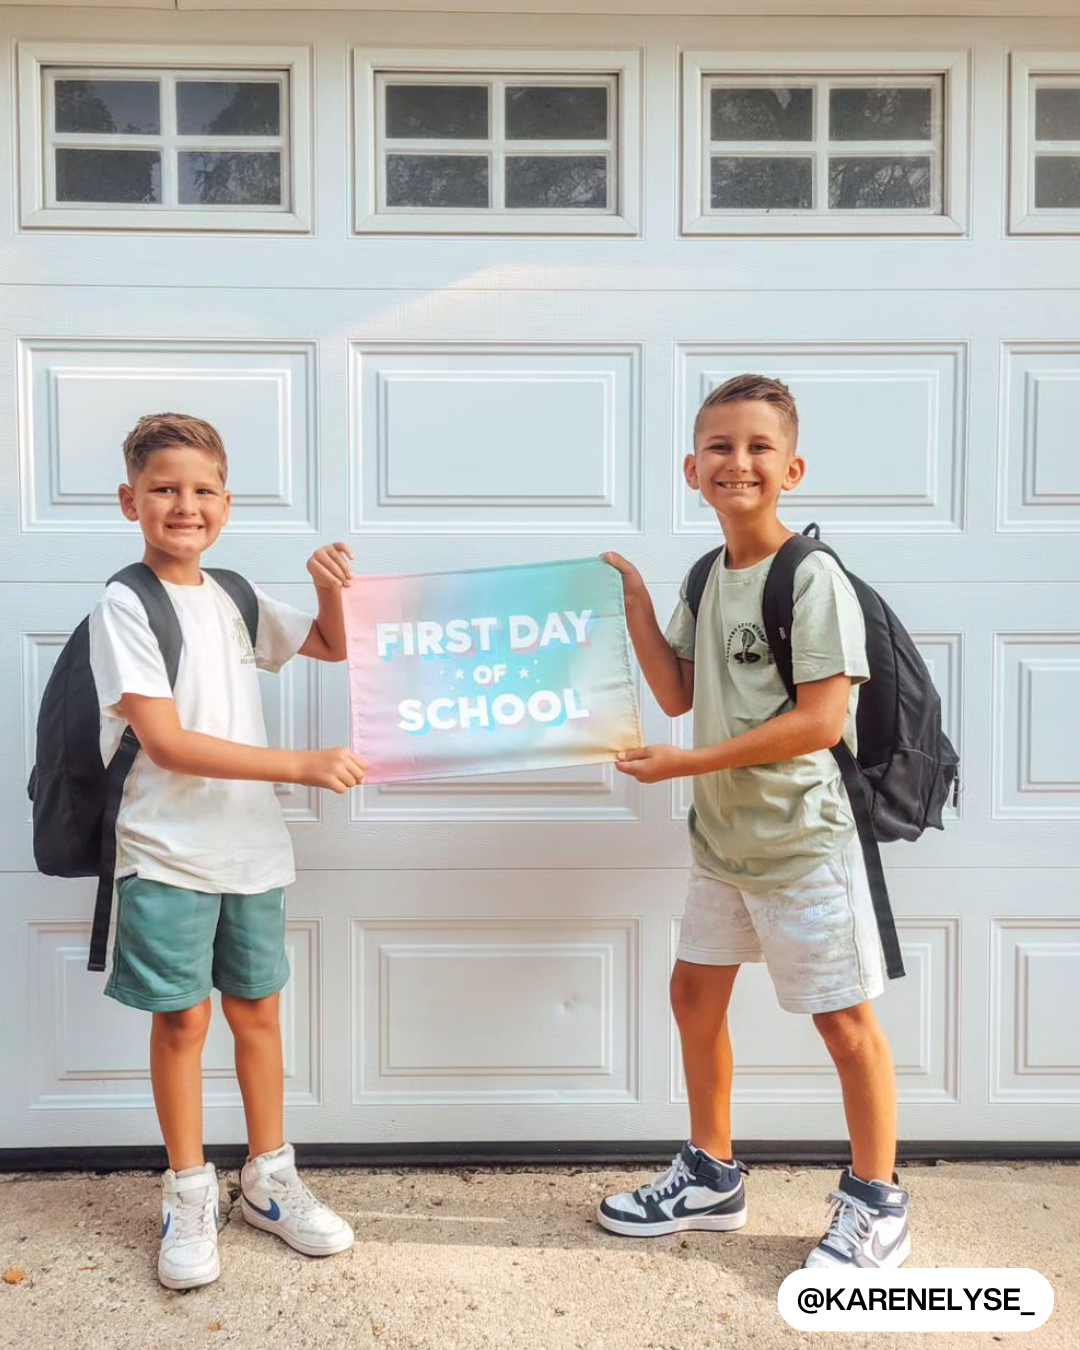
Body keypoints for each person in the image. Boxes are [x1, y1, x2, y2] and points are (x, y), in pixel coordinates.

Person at [600, 374, 911, 1270]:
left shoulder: (810, 578)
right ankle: (711, 1175)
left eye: (758, 447)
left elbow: (820, 721)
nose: (738, 462)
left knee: (844, 1026)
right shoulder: (708, 575)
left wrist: (688, 765)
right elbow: (677, 692)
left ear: (792, 469)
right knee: (693, 995)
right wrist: (636, 607)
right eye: (720, 447)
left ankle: (878, 1203)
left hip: (805, 844)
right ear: (691, 468)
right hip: (724, 845)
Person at [89, 412, 367, 1290]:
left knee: (257, 1014)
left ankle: (268, 1180)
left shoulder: (236, 596)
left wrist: (328, 588)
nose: (186, 505)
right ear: (130, 500)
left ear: (227, 502)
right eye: (164, 489)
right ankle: (188, 1191)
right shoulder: (126, 604)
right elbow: (167, 743)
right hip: (166, 851)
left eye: (203, 489)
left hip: (252, 852)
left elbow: (332, 645)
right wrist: (300, 766)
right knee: (182, 1021)